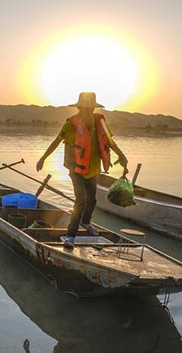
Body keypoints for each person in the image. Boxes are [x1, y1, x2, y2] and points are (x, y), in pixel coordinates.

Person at [36, 91, 128, 249]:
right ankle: (70, 236)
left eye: (91, 108)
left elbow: (110, 141)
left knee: (92, 200)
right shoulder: (71, 124)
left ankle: (85, 222)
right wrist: (43, 158)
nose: (88, 111)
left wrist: (122, 155)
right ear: (79, 108)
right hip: (76, 169)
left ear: (94, 108)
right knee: (81, 200)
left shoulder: (100, 122)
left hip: (93, 169)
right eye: (85, 108)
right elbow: (56, 141)